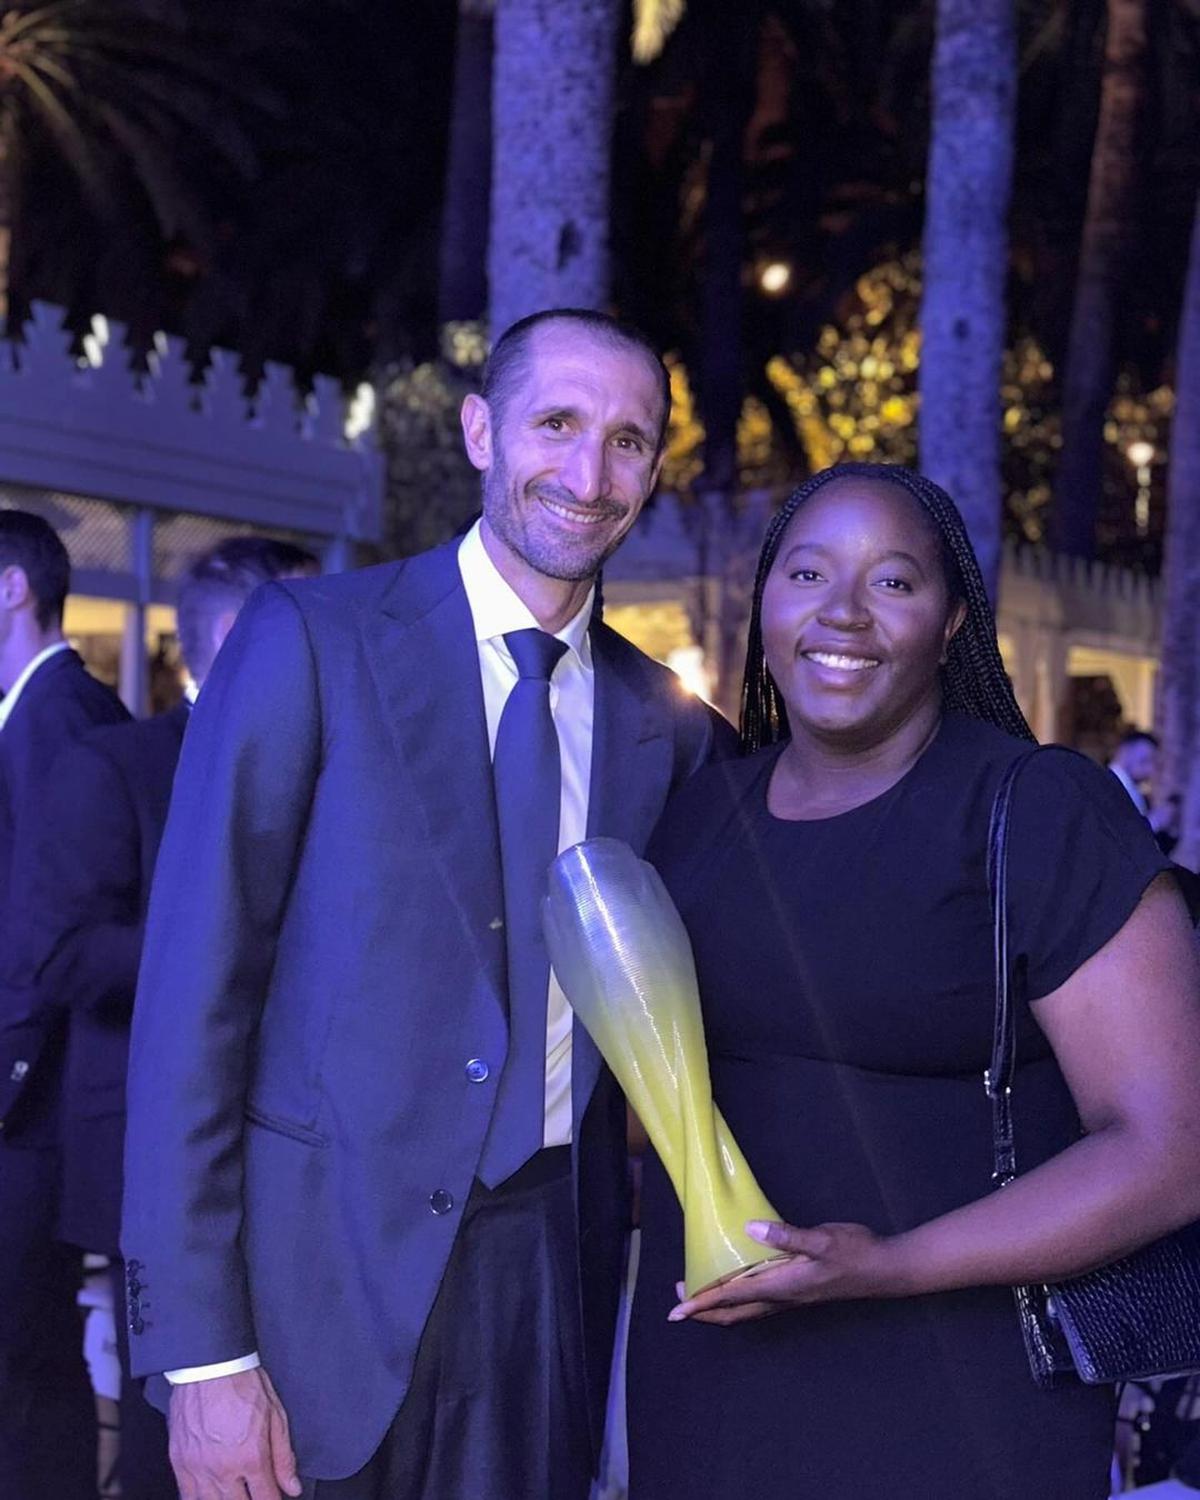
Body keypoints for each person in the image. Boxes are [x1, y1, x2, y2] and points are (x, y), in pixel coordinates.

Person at [121, 309, 735, 1500]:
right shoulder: (313, 642)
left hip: (552, 1275)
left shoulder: (668, 725)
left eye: (628, 440)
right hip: (314, 1290)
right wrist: (203, 1356)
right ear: (479, 431)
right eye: (557, 424)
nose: (588, 472)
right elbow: (194, 1002)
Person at [626, 463, 1200, 1500]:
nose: (842, 612)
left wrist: (885, 1264)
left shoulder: (1040, 813)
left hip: (956, 1397)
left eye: (893, 582)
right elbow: (655, 1095)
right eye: (806, 573)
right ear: (765, 605)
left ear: (950, 625)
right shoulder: (703, 816)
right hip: (709, 1383)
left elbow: (1171, 1152)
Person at [23, 535, 319, 1500]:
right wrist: (223, 943)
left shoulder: (345, 767)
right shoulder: (115, 765)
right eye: (316, 627)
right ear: (237, 637)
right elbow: (59, 953)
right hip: (156, 1156)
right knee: (172, 1435)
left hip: (315, 1156)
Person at [0, 509, 130, 1500]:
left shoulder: (58, 720)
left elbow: (44, 940)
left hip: (33, 1116)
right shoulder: (45, 713)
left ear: (10, 589)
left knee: (25, 1367)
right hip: (34, 1108)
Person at [1108, 728, 1159, 817]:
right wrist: (1155, 821)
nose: (1150, 770)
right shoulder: (1111, 786)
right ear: (1125, 751)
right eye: (1144, 761)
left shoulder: (1131, 788)